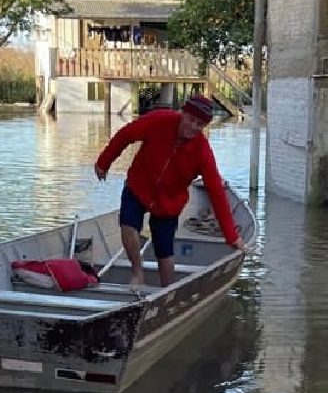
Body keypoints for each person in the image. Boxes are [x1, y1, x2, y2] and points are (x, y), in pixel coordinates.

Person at [94, 94, 245, 286]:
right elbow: (126, 135)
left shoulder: (202, 151)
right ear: (183, 113)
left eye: (199, 124)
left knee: (164, 251)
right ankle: (137, 271)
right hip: (140, 184)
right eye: (191, 119)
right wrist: (104, 162)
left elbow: (216, 192)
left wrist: (232, 236)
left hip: (169, 201)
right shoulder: (159, 120)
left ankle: (168, 289)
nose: (193, 126)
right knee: (128, 226)